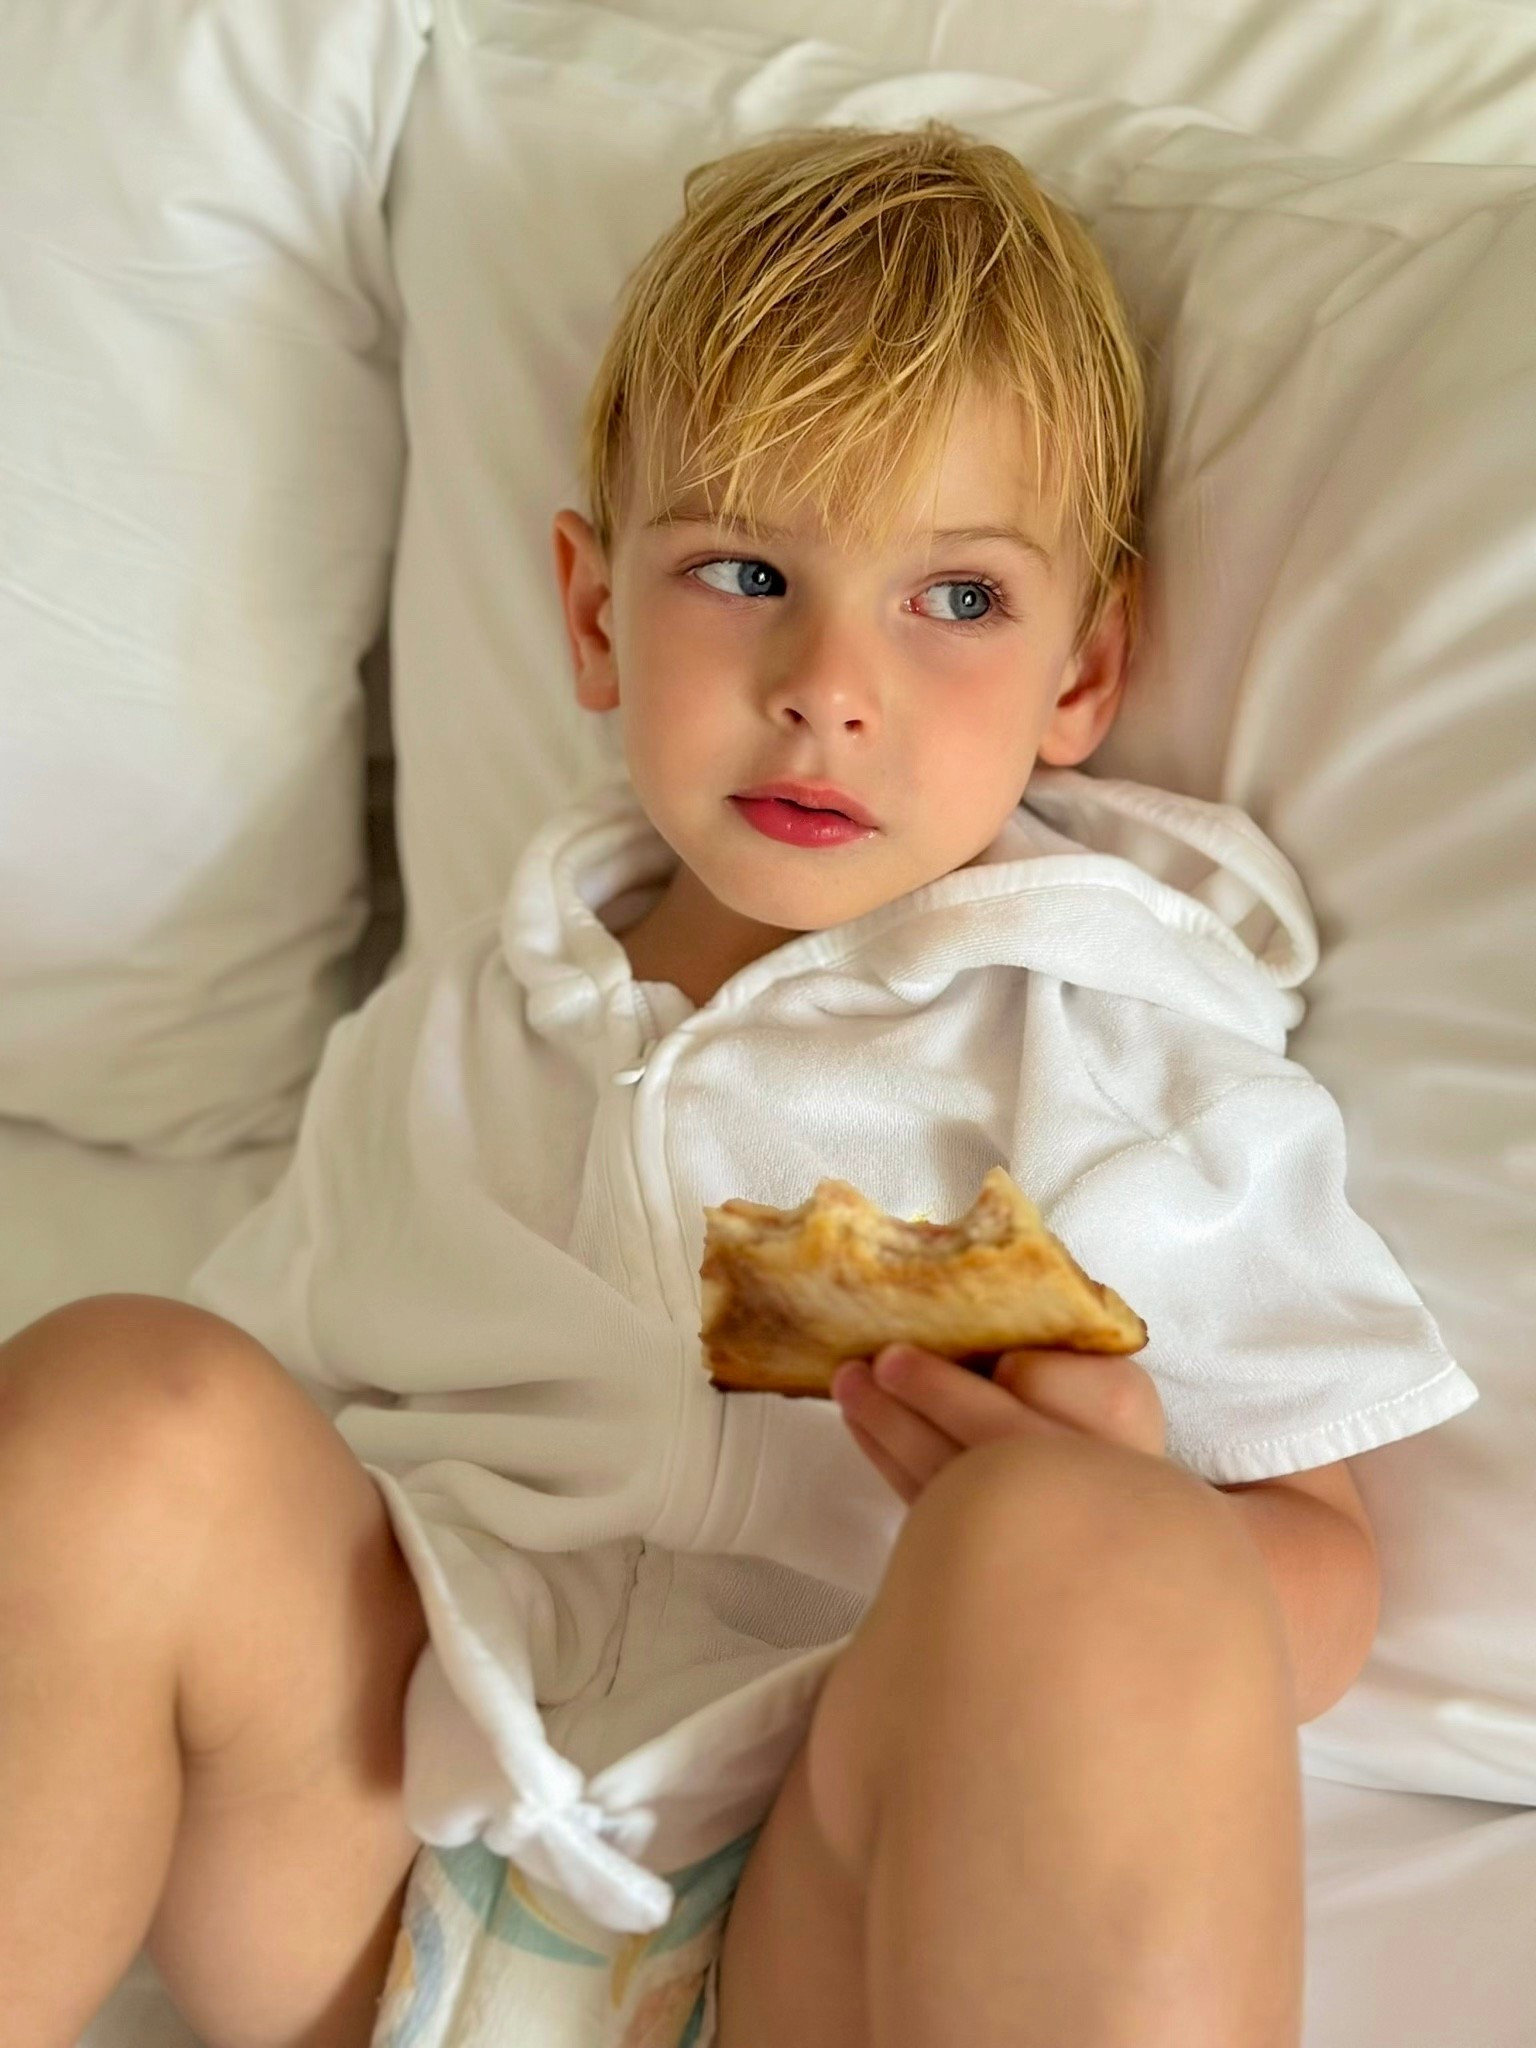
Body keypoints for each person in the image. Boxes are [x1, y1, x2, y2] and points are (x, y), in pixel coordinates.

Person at [0, 124, 1477, 2048]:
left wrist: (1141, 1524)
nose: (827, 683)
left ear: (1085, 668)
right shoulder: (467, 1017)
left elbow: (1332, 1574)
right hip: (397, 1874)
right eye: (745, 569)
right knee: (123, 1404)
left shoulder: (1112, 1042)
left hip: (847, 1905)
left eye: (954, 601)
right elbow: (263, 1441)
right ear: (600, 613)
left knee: (1097, 1565)